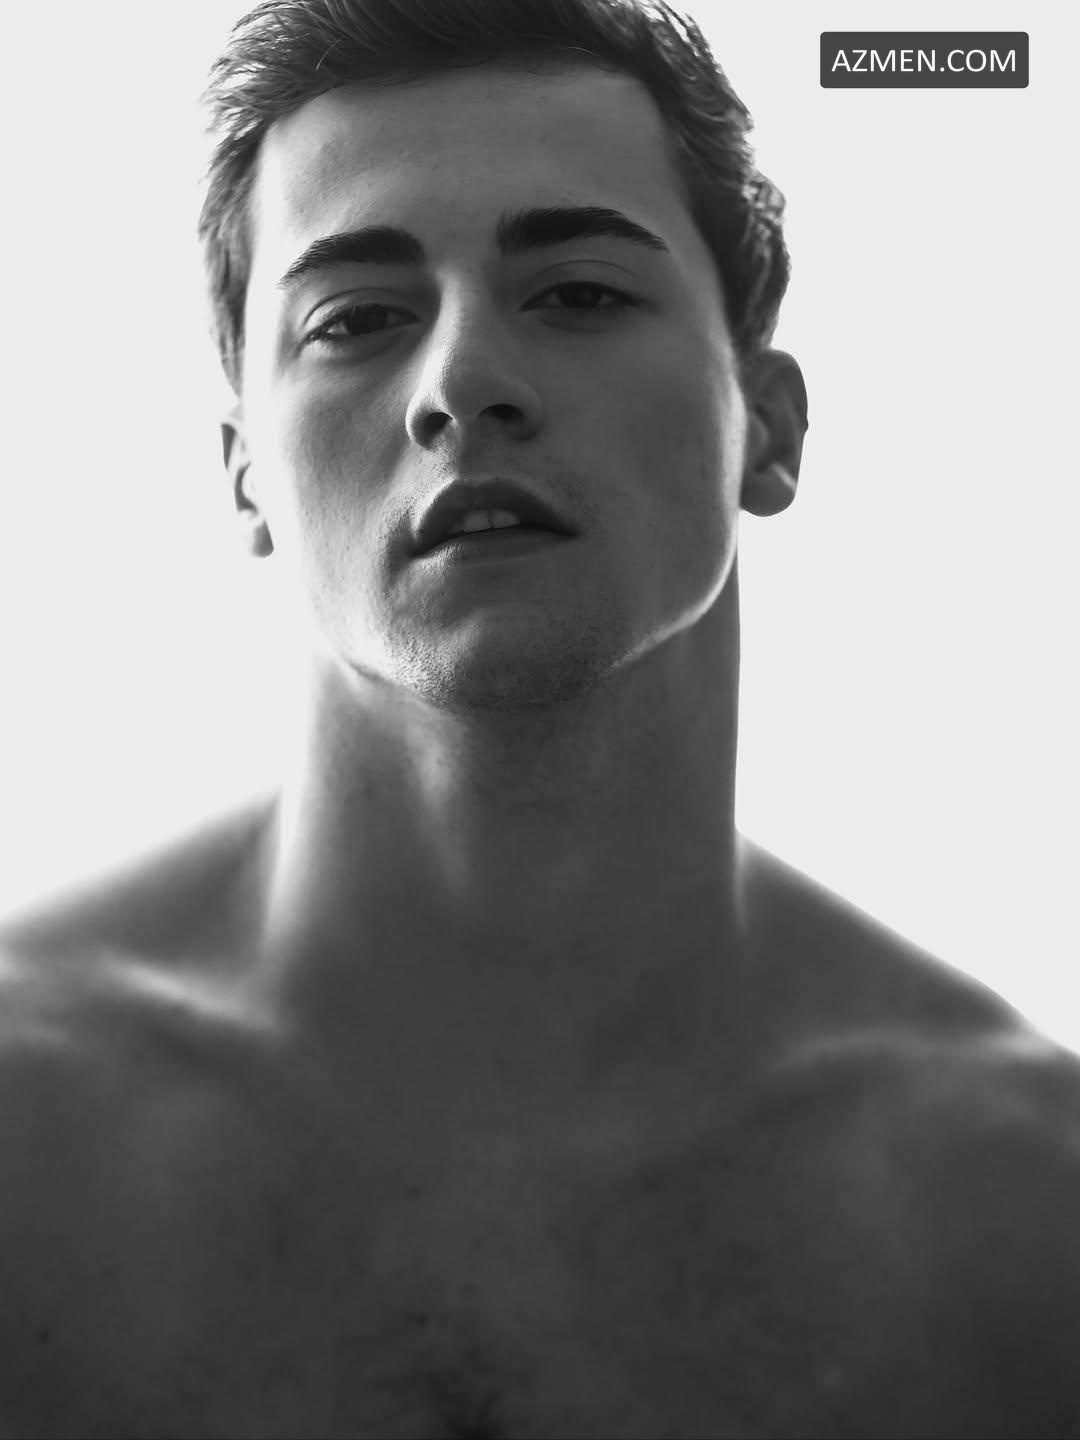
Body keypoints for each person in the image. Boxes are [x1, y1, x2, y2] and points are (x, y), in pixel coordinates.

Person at [0, 0, 1077, 1435]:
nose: (461, 386)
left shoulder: (1025, 1218)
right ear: (244, 470)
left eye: (576, 294)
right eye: (356, 319)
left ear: (768, 427)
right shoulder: (24, 1140)